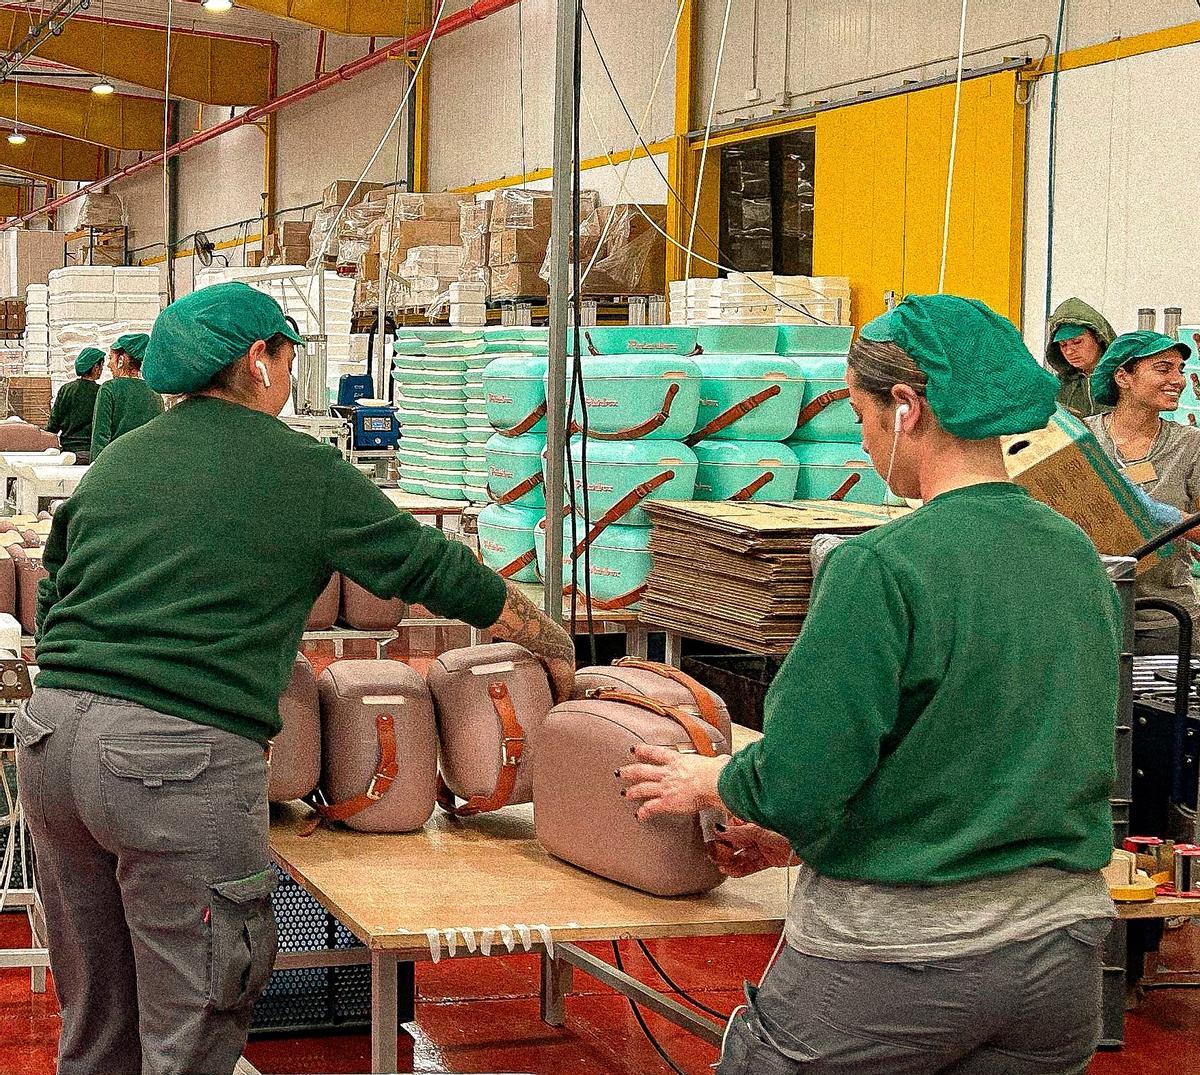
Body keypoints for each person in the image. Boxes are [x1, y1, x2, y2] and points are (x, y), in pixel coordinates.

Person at [16, 281, 576, 1075]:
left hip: (51, 743)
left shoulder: (119, 463)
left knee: (100, 1017)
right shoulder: (300, 469)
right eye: (287, 354)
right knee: (195, 1014)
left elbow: (57, 581)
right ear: (259, 360)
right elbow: (429, 566)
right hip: (171, 759)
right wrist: (547, 636)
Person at [620, 294, 1121, 1074]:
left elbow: (798, 775)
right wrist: (802, 843)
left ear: (905, 408)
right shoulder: (1074, 554)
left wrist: (714, 777)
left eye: (858, 415)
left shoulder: (879, 566)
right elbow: (979, 754)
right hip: (1059, 959)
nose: (859, 440)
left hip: (897, 964)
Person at [1086, 330, 1200, 655]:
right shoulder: (1083, 439)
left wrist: (1170, 518)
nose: (1178, 380)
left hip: (1166, 618)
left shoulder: (1190, 446)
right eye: (1163, 369)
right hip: (1093, 616)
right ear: (1123, 376)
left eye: (1180, 370)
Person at [90, 331, 164, 459]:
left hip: (115, 463)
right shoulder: (155, 393)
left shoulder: (109, 389)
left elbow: (100, 437)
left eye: (110, 358)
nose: (108, 364)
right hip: (145, 463)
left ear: (121, 360)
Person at [1045, 297, 1117, 417]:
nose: (1069, 351)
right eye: (1063, 345)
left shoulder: (1124, 381)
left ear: (1099, 337)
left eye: (1077, 342)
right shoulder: (1058, 387)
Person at [45, 347, 105, 464]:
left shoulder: (66, 389)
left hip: (67, 452)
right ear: (95, 368)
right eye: (101, 366)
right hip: (91, 451)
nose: (102, 370)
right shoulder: (101, 392)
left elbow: (53, 424)